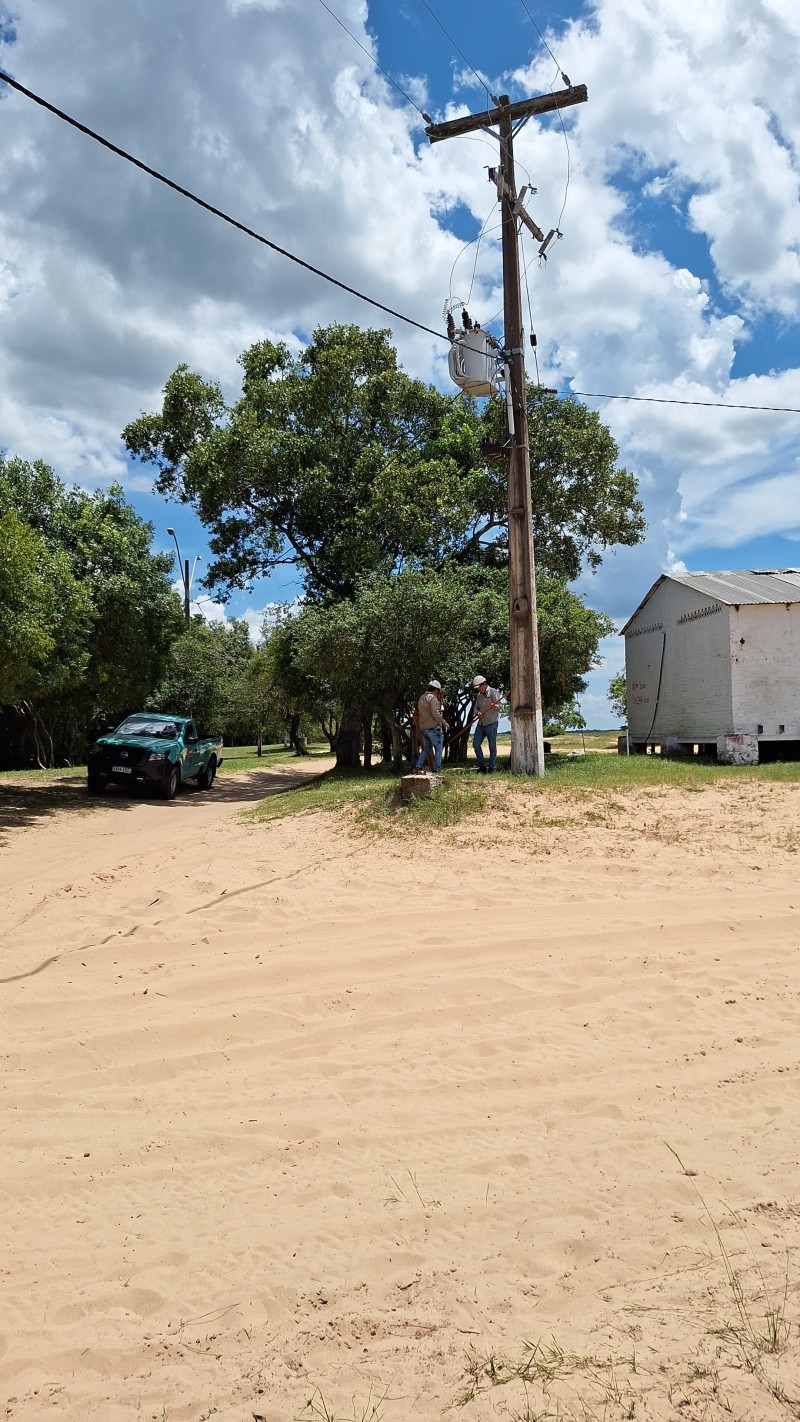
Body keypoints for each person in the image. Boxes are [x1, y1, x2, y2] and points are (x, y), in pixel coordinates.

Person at [415, 679, 449, 773]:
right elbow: (435, 714)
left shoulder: (422, 698)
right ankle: (437, 769)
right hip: (432, 728)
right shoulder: (433, 699)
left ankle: (418, 766)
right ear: (436, 690)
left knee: (427, 749)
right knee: (438, 748)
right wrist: (444, 722)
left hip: (423, 728)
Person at [471, 674, 503, 774]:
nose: (478, 690)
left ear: (484, 684)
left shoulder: (493, 692)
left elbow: (500, 706)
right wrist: (477, 713)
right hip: (481, 724)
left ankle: (492, 768)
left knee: (492, 746)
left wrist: (495, 706)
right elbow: (475, 708)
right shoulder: (479, 696)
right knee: (476, 744)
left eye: (479, 687)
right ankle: (482, 767)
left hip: (491, 723)